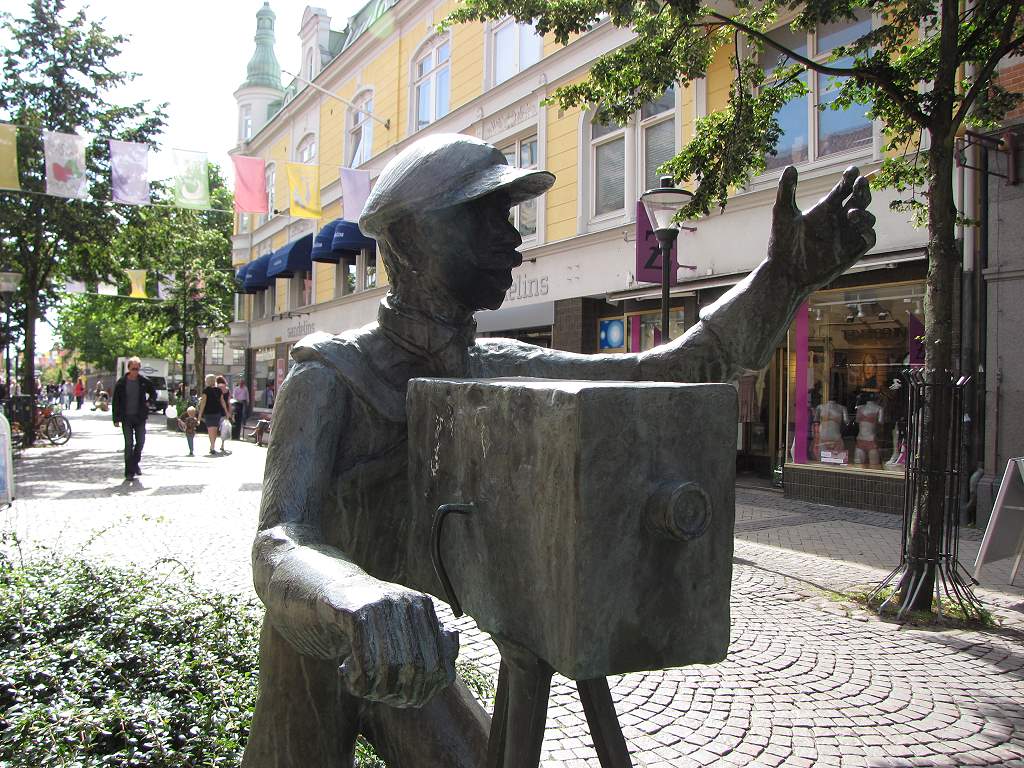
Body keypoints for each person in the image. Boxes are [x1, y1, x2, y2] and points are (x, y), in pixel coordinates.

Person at [242, 134, 876, 767]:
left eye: (509, 216)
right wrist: (355, 596)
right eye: (484, 215)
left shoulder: (494, 366)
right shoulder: (330, 373)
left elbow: (671, 370)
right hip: (317, 651)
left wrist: (783, 279)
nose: (512, 237)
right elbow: (279, 540)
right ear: (408, 239)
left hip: (415, 655)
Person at [111, 356, 156, 480]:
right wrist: (115, 418)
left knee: (140, 442)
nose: (135, 371)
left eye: (137, 369)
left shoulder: (143, 381)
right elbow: (115, 401)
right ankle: (129, 472)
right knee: (128, 444)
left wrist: (149, 402)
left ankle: (135, 463)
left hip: (140, 417)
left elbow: (153, 392)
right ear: (129, 368)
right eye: (133, 368)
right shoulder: (121, 383)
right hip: (126, 418)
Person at [196, 373, 230, 456]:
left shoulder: (206, 391)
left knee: (211, 430)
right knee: (214, 429)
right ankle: (212, 445)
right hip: (217, 412)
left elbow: (203, 403)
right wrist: (226, 411)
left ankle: (212, 446)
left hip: (208, 412)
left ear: (207, 381)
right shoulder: (219, 390)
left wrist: (200, 415)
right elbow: (223, 402)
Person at [215, 375, 232, 454]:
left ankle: (213, 444)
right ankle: (222, 444)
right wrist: (229, 412)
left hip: (216, 409)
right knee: (223, 428)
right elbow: (228, 402)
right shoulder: (227, 389)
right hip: (224, 411)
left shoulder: (216, 388)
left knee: (215, 427)